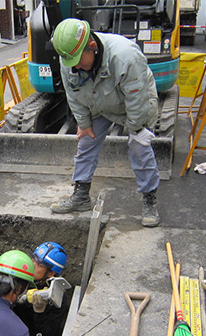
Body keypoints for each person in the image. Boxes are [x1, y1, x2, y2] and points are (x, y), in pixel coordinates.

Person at [50, 18, 161, 227]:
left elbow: (138, 98)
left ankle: (149, 199)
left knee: (140, 148)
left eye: (80, 61)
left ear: (92, 46)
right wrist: (84, 124)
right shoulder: (69, 60)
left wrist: (137, 129)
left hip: (133, 103)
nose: (76, 67)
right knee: (86, 142)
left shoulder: (125, 56)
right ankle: (81, 195)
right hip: (99, 101)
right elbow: (73, 96)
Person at [13, 242, 69, 336]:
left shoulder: (58, 299)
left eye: (39, 264)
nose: (32, 264)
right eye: (33, 259)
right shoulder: (19, 279)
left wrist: (39, 312)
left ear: (51, 273)